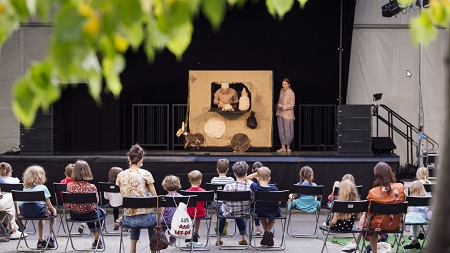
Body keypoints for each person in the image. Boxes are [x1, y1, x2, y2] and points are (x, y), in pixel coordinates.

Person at [342, 162, 406, 253]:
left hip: (378, 225)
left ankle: (359, 243)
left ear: (377, 176)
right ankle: (355, 242)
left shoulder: (373, 192)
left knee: (367, 218)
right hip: (396, 225)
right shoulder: (400, 187)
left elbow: (368, 212)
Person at [116, 144, 157, 253]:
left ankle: (132, 249)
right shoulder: (146, 174)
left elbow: (124, 196)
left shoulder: (120, 175)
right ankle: (153, 248)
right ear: (141, 159)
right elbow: (155, 198)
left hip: (128, 220)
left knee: (135, 212)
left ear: (128, 159)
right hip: (146, 220)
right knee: (151, 217)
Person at [66, 160, 106, 249]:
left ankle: (96, 239)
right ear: (87, 171)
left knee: (89, 213)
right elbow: (96, 202)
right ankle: (97, 239)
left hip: (74, 215)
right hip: (89, 215)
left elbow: (68, 204)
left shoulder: (69, 185)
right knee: (101, 213)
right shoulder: (91, 187)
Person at [216, 161, 251, 246]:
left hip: (229, 212)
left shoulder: (228, 186)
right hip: (244, 213)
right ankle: (244, 238)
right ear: (246, 173)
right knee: (239, 211)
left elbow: (223, 201)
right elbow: (252, 201)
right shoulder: (249, 187)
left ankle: (219, 238)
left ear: (234, 173)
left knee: (222, 210)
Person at [21, 165, 56, 248]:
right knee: (51, 213)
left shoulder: (25, 188)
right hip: (39, 212)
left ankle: (41, 240)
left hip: (26, 213)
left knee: (41, 213)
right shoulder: (43, 188)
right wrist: (54, 211)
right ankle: (50, 237)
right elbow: (49, 205)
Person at [246, 167, 280, 246]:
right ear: (269, 179)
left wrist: (256, 173)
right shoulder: (274, 189)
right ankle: (267, 233)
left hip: (261, 212)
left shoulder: (255, 187)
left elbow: (246, 178)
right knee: (273, 215)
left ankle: (267, 233)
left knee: (261, 214)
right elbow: (279, 202)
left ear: (257, 178)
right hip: (274, 212)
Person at [0, 162, 26, 239]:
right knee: (12, 198)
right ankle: (13, 229)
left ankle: (5, 226)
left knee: (8, 204)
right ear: (10, 171)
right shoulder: (15, 180)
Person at [59, 163, 86, 234]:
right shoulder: (76, 183)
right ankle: (84, 223)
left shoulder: (62, 182)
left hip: (67, 205)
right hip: (80, 205)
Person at [210, 158, 234, 235]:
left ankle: (219, 221)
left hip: (217, 203)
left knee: (216, 204)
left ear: (217, 169)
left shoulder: (213, 180)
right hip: (228, 203)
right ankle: (224, 221)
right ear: (227, 170)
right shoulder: (231, 180)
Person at [404, 180, 430, 249]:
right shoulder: (427, 197)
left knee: (412, 218)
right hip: (423, 217)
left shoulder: (410, 198)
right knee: (416, 218)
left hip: (413, 218)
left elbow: (410, 210)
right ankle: (418, 234)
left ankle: (414, 238)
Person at [185, 170, 206, 244]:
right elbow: (205, 203)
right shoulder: (204, 192)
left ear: (189, 181)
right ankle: (196, 233)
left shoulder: (186, 192)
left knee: (190, 215)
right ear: (200, 181)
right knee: (197, 215)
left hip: (188, 214)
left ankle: (189, 233)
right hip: (200, 213)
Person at [161, 175, 182, 245]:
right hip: (178, 221)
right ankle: (173, 239)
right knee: (174, 226)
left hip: (166, 221)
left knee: (162, 226)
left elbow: (162, 211)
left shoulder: (164, 198)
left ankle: (162, 237)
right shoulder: (181, 197)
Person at [276, 77, 295, 152]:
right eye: (283, 84)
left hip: (288, 114)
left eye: (285, 84)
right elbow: (280, 100)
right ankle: (283, 146)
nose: (284, 86)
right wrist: (278, 107)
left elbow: (292, 105)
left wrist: (283, 106)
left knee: (288, 130)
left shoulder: (291, 92)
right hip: (280, 112)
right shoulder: (281, 90)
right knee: (281, 129)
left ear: (289, 84)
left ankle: (288, 146)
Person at [251, 161, 264, 235]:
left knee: (254, 207)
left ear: (252, 170)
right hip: (265, 206)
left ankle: (256, 228)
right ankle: (260, 229)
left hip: (253, 206)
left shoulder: (250, 182)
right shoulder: (268, 183)